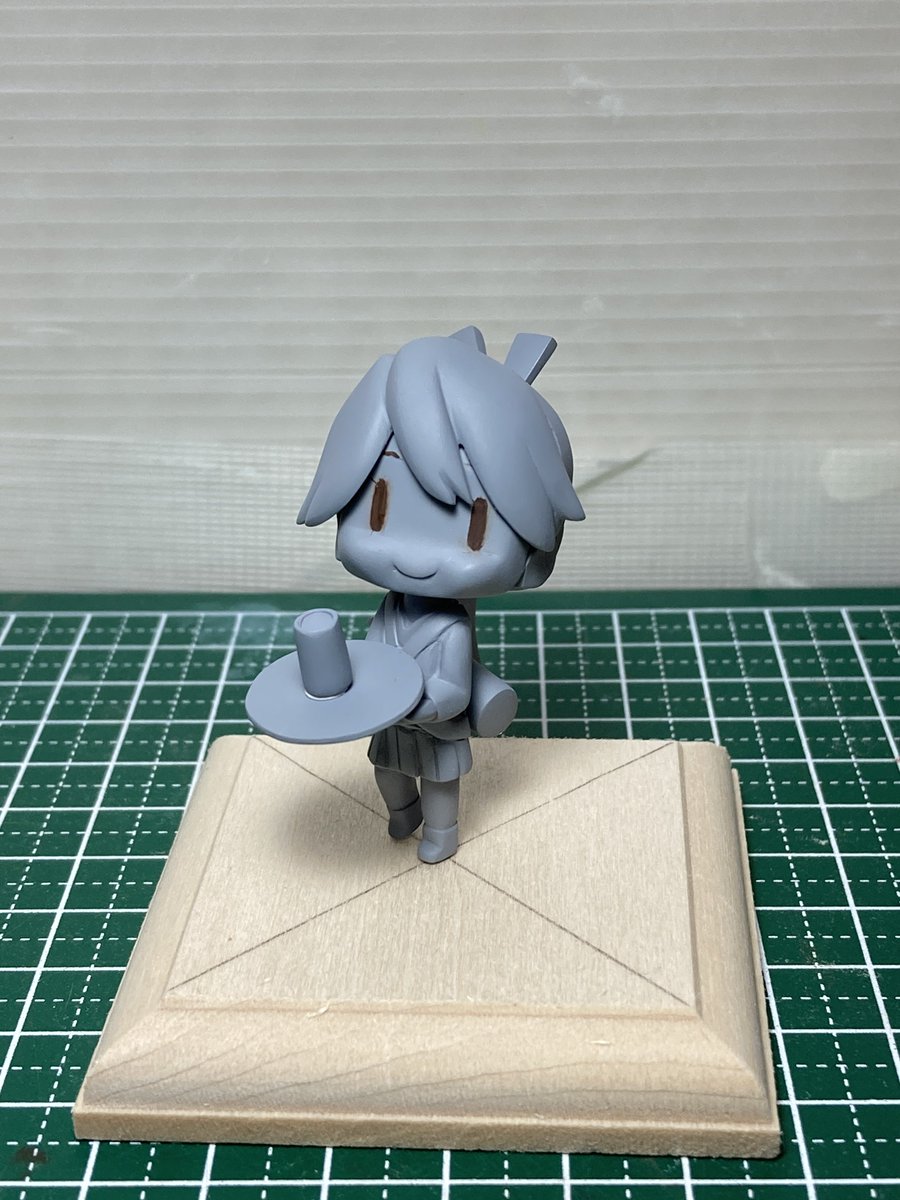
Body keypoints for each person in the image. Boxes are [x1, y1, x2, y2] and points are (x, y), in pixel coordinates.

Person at [297, 326, 584, 862]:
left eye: (475, 529)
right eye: (379, 511)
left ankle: (440, 833)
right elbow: (373, 658)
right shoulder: (389, 610)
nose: (416, 557)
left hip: (433, 722)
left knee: (440, 782)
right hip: (391, 722)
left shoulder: (451, 628)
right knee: (386, 771)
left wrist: (421, 703)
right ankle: (401, 815)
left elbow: (454, 687)